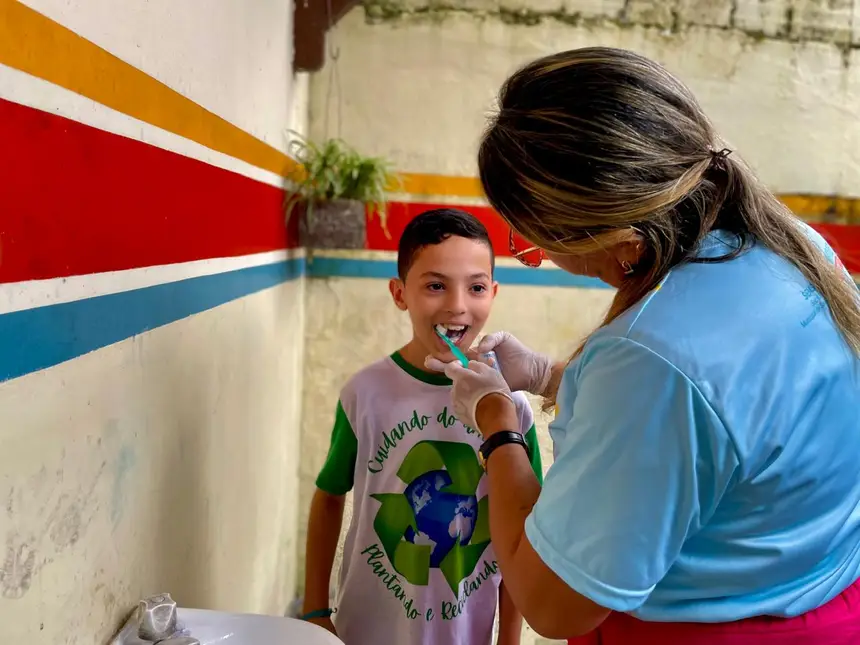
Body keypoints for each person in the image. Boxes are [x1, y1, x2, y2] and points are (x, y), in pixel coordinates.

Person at [426, 47, 860, 644]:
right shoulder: (792, 248)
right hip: (820, 593)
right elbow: (727, 424)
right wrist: (555, 378)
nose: (538, 254)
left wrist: (498, 424)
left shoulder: (647, 360)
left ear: (621, 240)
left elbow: (553, 606)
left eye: (530, 239)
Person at [301, 208, 543, 645]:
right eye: (435, 286)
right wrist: (315, 609)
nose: (457, 305)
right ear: (399, 294)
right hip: (366, 630)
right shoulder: (365, 392)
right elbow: (330, 494)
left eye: (476, 287)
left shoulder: (512, 408)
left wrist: (510, 638)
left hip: (465, 632)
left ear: (494, 291)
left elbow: (527, 526)